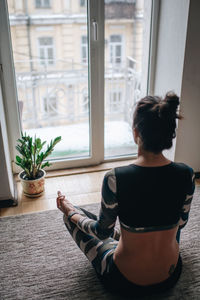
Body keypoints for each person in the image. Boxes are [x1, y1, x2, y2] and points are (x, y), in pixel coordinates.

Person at [56, 92, 195, 296]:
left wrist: (70, 212)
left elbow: (102, 232)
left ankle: (74, 215)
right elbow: (181, 223)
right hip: (170, 276)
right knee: (165, 226)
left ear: (136, 132)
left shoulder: (115, 178)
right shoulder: (187, 174)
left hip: (124, 280)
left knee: (77, 217)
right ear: (169, 134)